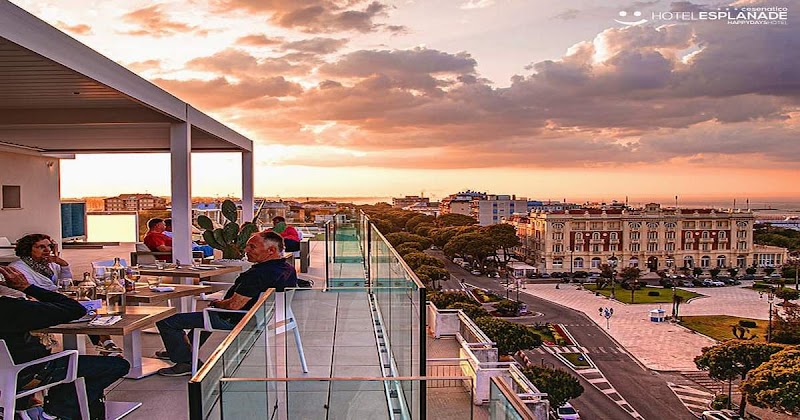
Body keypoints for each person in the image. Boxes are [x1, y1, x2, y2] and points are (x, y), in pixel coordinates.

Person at [154, 231, 297, 376]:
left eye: (252, 247)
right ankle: (184, 348)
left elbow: (234, 306)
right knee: (209, 312)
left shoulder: (258, 274)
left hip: (240, 319)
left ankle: (185, 362)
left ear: (271, 250)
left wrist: (219, 304)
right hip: (271, 317)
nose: (246, 250)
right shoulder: (287, 268)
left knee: (167, 322)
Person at [0, 265, 130, 420]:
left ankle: (32, 407)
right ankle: (54, 412)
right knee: (117, 365)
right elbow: (75, 309)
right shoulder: (10, 308)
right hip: (28, 373)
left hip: (9, 372)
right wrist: (27, 287)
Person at [3, 234, 123, 356]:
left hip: (53, 299)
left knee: (89, 308)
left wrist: (64, 265)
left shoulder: (50, 265)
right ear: (28, 249)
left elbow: (66, 284)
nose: (47, 250)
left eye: (49, 246)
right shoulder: (17, 268)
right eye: (41, 247)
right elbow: (26, 290)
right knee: (79, 310)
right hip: (36, 304)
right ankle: (105, 344)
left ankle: (105, 342)